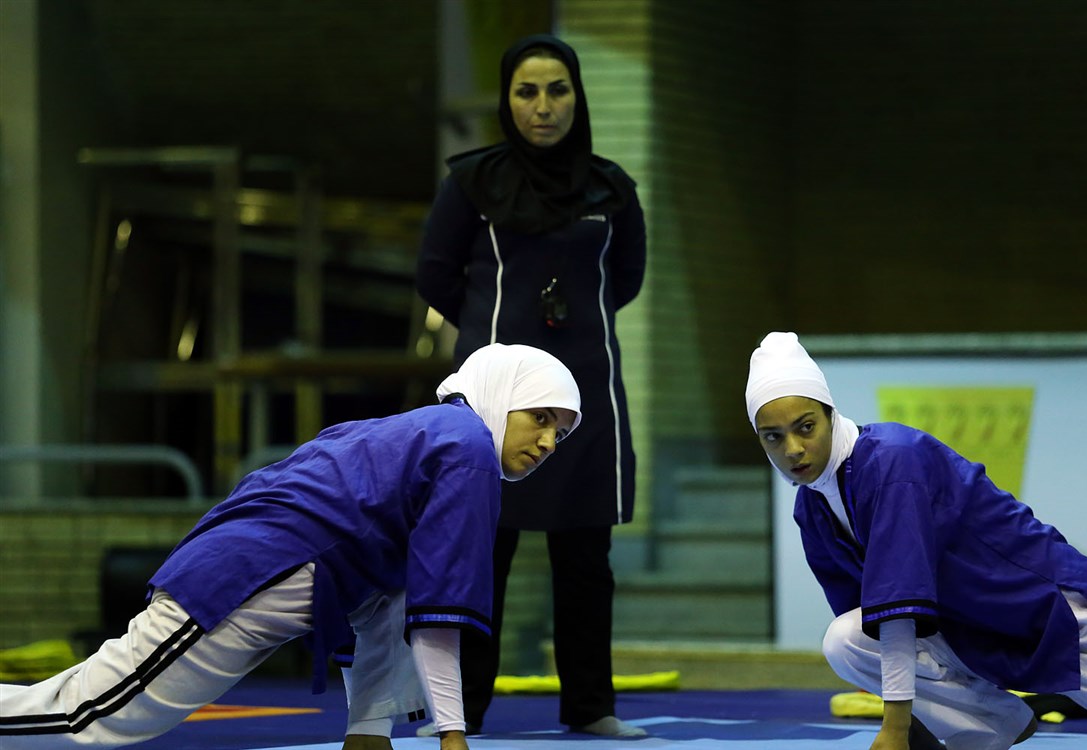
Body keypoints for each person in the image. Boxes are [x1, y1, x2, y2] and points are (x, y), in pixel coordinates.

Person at [0, 343, 581, 750]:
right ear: (500, 396)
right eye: (539, 417)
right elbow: (436, 617)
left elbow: (389, 606)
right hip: (241, 575)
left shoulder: (427, 433)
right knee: (89, 716)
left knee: (85, 705)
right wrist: (452, 735)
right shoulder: (465, 451)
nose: (548, 442)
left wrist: (369, 730)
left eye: (559, 430)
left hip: (247, 563)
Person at [744, 331, 1087, 750]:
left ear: (830, 414)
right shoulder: (813, 507)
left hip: (1047, 610)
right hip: (966, 628)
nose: (793, 449)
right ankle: (990, 725)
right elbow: (872, 623)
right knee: (847, 640)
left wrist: (895, 729)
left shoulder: (893, 461)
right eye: (773, 437)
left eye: (806, 427)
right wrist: (916, 727)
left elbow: (898, 608)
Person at [415, 33, 646, 738]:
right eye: (526, 92)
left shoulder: (612, 189)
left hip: (587, 391)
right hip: (493, 399)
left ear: (577, 98)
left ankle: (591, 708)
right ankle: (461, 714)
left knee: (585, 558)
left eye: (557, 90)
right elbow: (435, 275)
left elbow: (625, 280)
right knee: (481, 555)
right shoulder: (471, 183)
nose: (543, 106)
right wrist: (494, 335)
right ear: (507, 101)